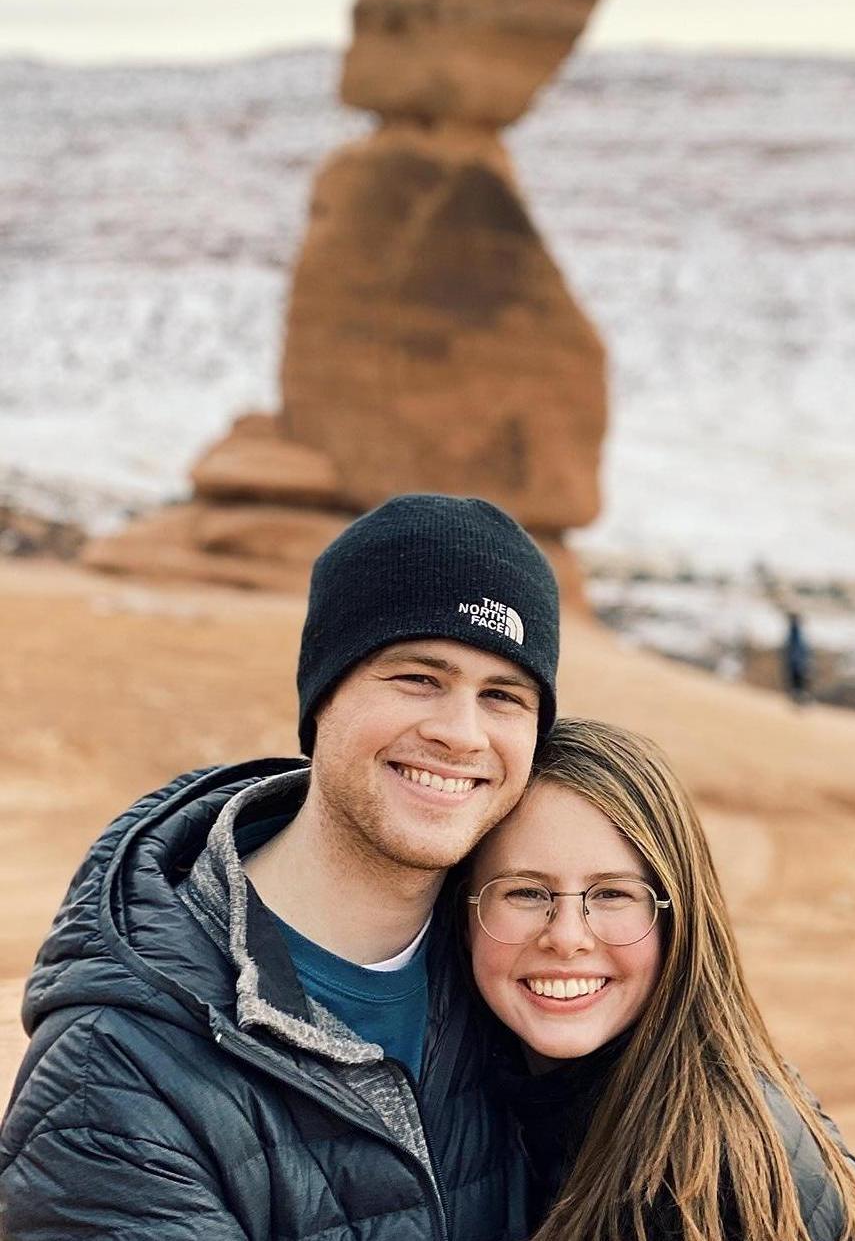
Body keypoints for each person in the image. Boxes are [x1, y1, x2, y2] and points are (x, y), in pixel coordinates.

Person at [0, 493, 562, 1239]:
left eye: (503, 696)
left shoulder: (529, 984)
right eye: (418, 678)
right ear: (322, 695)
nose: (460, 733)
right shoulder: (116, 1072)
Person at [466, 717, 855, 1241]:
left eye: (612, 894)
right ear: (464, 912)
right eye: (525, 892)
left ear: (680, 919)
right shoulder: (501, 1090)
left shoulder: (702, 1180)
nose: (567, 937)